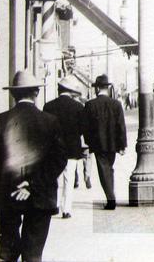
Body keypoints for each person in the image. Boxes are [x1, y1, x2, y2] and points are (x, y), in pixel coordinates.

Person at [0, 71, 67, 262]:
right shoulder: (51, 122)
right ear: (36, 92)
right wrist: (32, 185)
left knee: (7, 253)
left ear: (13, 94)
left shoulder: (0, 121)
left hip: (7, 197)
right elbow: (59, 160)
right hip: (41, 196)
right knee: (33, 255)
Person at [43, 75, 85, 219]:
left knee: (53, 177)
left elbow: (45, 129)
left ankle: (52, 205)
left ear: (59, 89)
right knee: (69, 178)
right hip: (71, 149)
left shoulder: (48, 106)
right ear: (70, 91)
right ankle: (66, 209)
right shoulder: (78, 107)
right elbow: (81, 129)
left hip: (53, 149)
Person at [82, 75, 127, 210]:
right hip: (113, 145)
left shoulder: (90, 105)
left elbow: (86, 127)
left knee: (104, 171)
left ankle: (111, 199)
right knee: (109, 169)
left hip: (98, 144)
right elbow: (121, 126)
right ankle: (111, 196)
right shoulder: (116, 104)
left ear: (96, 89)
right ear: (107, 88)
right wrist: (122, 145)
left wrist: (89, 142)